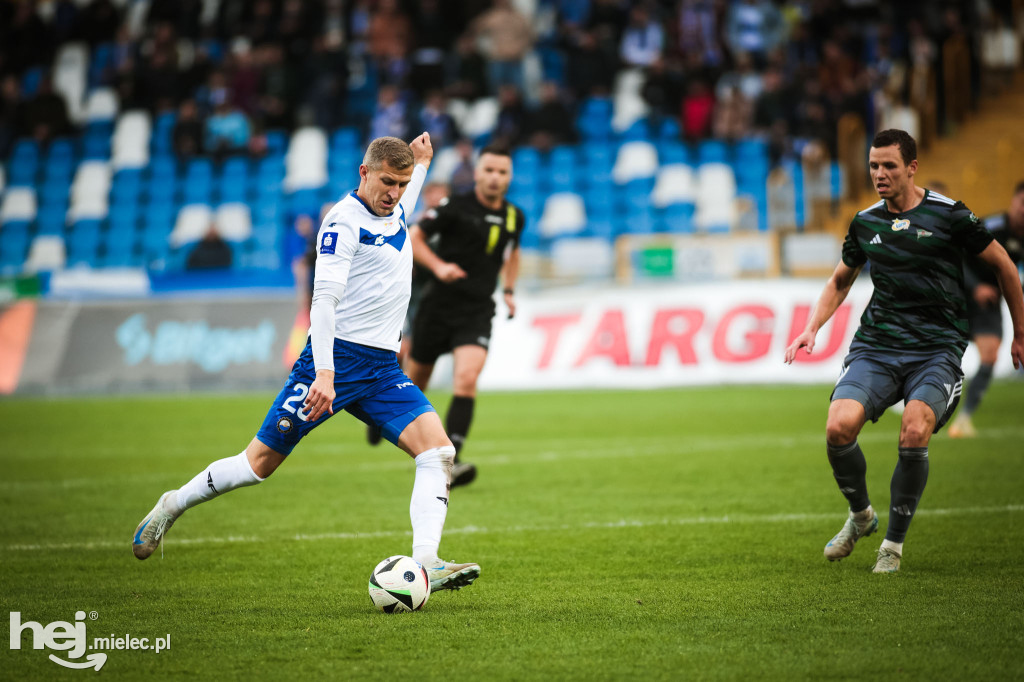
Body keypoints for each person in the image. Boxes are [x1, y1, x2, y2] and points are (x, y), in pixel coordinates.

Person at [132, 133, 481, 593]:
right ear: (364, 172)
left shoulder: (393, 206)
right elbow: (323, 302)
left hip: (380, 370)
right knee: (258, 464)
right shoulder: (342, 223)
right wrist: (324, 374)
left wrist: (421, 163)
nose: (394, 193)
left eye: (402, 184)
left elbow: (405, 204)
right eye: (387, 183)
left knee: (438, 452)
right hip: (334, 361)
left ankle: (427, 562)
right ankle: (172, 505)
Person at [784, 129, 1024, 574]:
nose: (880, 174)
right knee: (838, 427)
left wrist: (1020, 332)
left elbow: (1005, 266)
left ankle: (891, 546)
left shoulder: (950, 216)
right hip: (877, 345)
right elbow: (841, 280)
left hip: (936, 348)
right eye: (874, 165)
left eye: (889, 166)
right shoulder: (865, 221)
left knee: (914, 430)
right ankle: (861, 517)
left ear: (911, 167)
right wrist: (811, 328)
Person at [402, 146, 525, 488]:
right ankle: (382, 421)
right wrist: (440, 267)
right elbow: (416, 237)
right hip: (438, 307)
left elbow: (512, 253)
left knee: (467, 378)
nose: (495, 178)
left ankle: (449, 460)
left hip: (477, 310)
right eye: (489, 170)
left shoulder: (515, 216)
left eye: (502, 172)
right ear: (477, 173)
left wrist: (510, 291)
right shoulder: (454, 206)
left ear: (509, 177)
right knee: (414, 383)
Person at [949, 180, 1024, 437]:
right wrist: (975, 287)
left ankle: (964, 419)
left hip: (989, 302)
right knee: (938, 353)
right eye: (1022, 203)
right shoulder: (990, 226)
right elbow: (955, 254)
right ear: (1013, 202)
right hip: (959, 295)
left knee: (990, 355)